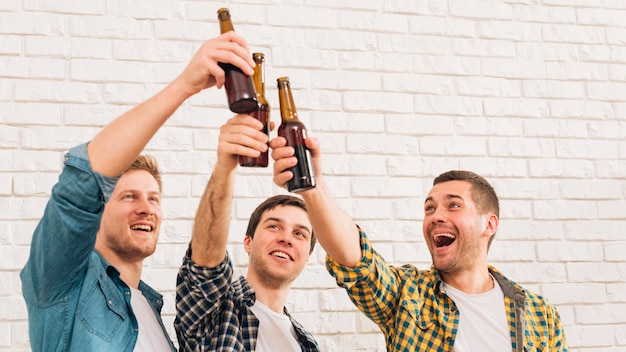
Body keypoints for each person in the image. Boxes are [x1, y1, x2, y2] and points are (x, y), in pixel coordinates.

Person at [19, 31, 256, 352]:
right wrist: (184, 86)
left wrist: (225, 165)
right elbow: (84, 179)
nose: (146, 208)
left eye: (153, 198)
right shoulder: (62, 283)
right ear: (98, 210)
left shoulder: (150, 306)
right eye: (129, 196)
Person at [270, 136, 569, 352]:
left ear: (488, 225)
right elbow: (356, 260)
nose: (436, 216)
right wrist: (313, 186)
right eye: (429, 208)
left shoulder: (541, 315)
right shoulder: (407, 295)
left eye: (453, 206)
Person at [174, 114, 320, 351]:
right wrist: (225, 167)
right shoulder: (218, 311)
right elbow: (205, 264)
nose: (286, 238)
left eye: (300, 234)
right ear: (248, 242)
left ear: (308, 255)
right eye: (274, 226)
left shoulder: (307, 343)